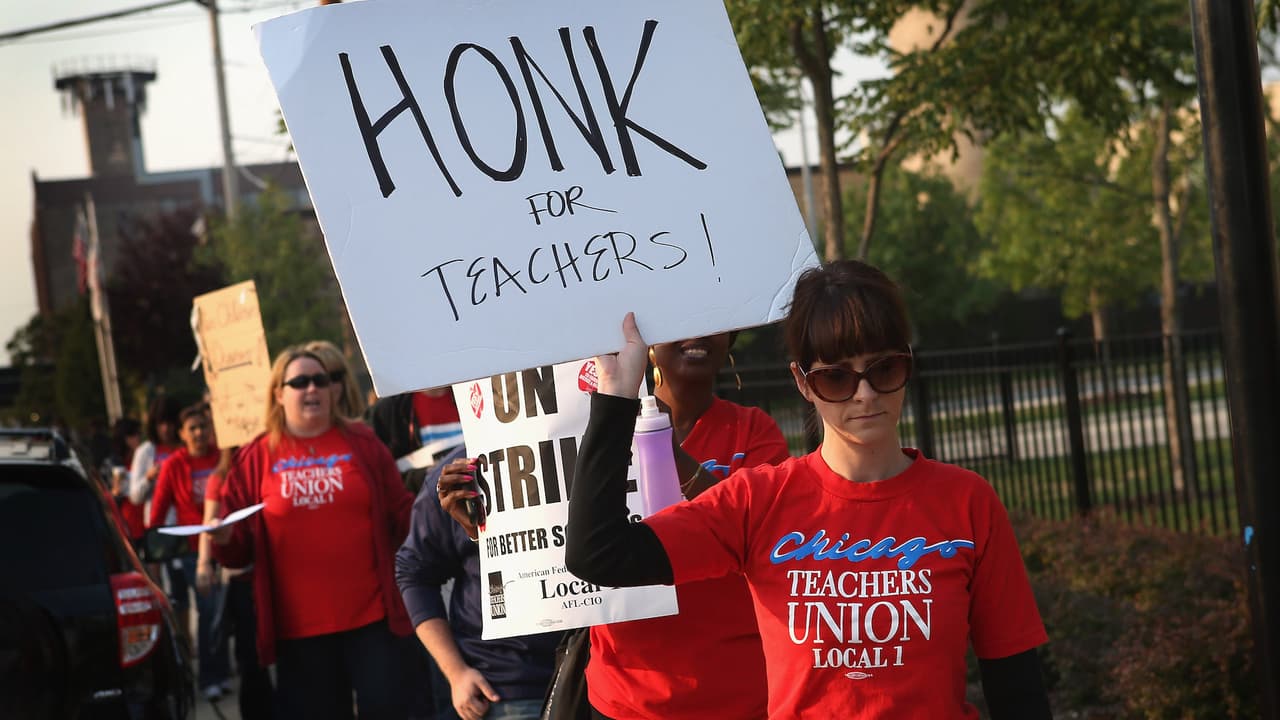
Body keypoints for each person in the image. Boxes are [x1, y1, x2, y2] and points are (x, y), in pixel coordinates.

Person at [565, 260, 1052, 719]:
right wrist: (617, 396)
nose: (865, 394)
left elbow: (1017, 684)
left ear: (908, 363)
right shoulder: (761, 500)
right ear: (803, 382)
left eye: (883, 369)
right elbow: (597, 554)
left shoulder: (967, 502)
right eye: (836, 377)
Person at [442, 335, 790, 720]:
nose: (697, 336)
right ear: (650, 342)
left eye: (709, 324)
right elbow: (570, 543)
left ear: (730, 339)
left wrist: (669, 453)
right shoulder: (597, 427)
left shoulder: (756, 432)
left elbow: (763, 537)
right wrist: (492, 524)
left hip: (736, 696)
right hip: (623, 700)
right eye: (680, 323)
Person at [211, 346, 416, 720]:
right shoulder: (255, 458)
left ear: (334, 389)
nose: (312, 389)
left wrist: (439, 506)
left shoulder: (363, 443)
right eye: (300, 382)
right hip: (299, 635)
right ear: (278, 393)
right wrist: (222, 541)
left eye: (320, 380)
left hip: (373, 622)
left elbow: (401, 515)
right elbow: (238, 550)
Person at [396, 446, 560, 720]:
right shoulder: (456, 476)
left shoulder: (617, 443)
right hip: (508, 686)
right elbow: (414, 572)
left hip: (618, 678)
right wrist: (456, 672)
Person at [150, 402, 231, 700]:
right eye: (192, 429)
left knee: (222, 614)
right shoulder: (174, 464)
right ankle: (209, 677)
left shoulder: (221, 459)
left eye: (203, 427)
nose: (199, 433)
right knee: (208, 612)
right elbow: (158, 512)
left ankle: (222, 672)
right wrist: (154, 556)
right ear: (182, 434)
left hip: (225, 546)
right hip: (191, 553)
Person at [197, 447, 275, 719]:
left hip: (276, 577)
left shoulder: (275, 464)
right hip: (242, 581)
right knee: (251, 659)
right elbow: (210, 524)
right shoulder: (221, 478)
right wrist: (204, 563)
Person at [370, 387, 464, 494]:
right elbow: (382, 481)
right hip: (425, 505)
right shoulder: (389, 412)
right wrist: (426, 476)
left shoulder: (476, 391)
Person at [305, 339, 367, 420]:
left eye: (334, 376)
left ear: (345, 381)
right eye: (319, 379)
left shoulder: (368, 430)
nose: (328, 384)